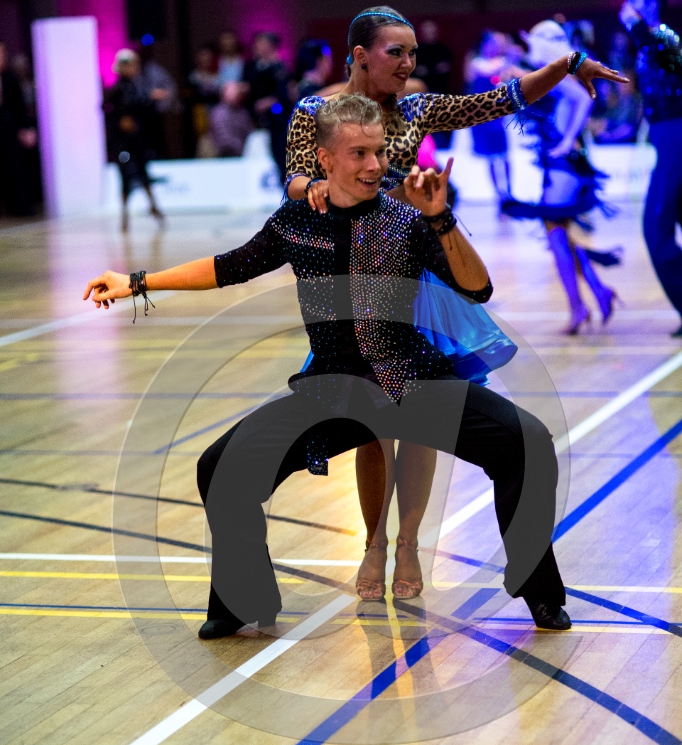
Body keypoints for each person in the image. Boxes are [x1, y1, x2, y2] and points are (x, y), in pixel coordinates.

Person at [84, 94, 570, 638]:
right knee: (220, 466)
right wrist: (136, 282)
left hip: (415, 382)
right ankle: (241, 599)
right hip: (335, 394)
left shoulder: (408, 219)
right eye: (359, 153)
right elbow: (228, 267)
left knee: (527, 442)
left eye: (379, 152)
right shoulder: (297, 222)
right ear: (325, 159)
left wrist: (441, 219)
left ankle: (538, 589)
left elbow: (478, 288)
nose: (375, 165)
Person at [285, 5, 627, 596]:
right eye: (396, 52)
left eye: (413, 53)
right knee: (371, 424)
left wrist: (569, 63)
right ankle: (374, 543)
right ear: (360, 55)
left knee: (421, 418)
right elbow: (293, 179)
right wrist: (316, 186)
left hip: (418, 279)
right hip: (355, 281)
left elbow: (503, 100)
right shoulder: (315, 112)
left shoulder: (418, 108)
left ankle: (409, 544)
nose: (408, 63)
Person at [502, 20, 623, 335]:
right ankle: (596, 293)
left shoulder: (559, 72)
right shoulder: (554, 69)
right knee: (559, 233)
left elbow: (582, 99)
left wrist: (568, 139)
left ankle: (581, 305)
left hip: (563, 164)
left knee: (556, 234)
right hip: (558, 162)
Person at [619, 0, 682, 336]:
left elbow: (668, 58)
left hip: (676, 136)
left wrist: (635, 26)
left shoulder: (666, 37)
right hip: (665, 136)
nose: (625, 5)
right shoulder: (647, 41)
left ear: (652, 3)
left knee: (656, 228)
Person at [103, 49, 165, 231]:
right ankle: (125, 214)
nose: (135, 68)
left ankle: (152, 206)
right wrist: (120, 120)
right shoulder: (118, 89)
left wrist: (149, 98)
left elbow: (139, 106)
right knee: (126, 177)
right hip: (123, 142)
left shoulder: (133, 87)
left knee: (142, 173)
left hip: (136, 140)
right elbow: (108, 109)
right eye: (131, 65)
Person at [465, 31, 519, 201]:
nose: (493, 48)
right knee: (490, 157)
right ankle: (499, 194)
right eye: (491, 44)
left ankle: (508, 191)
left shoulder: (503, 62)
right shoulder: (476, 63)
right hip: (484, 115)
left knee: (504, 155)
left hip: (501, 115)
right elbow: (480, 78)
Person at [243, 32, 291, 184]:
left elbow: (284, 94)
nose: (256, 46)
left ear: (271, 46)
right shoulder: (252, 67)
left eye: (261, 43)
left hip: (277, 122)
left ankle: (284, 182)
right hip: (254, 121)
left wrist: (270, 102)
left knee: (280, 154)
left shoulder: (280, 67)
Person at [0, 41, 35, 217]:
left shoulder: (10, 79)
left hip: (9, 129)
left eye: (3, 53)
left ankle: (21, 206)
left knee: (15, 169)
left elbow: (19, 107)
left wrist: (26, 128)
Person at [413, 20, 454, 148]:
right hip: (421, 96)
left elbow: (445, 70)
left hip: (441, 93)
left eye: (432, 31)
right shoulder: (415, 52)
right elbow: (416, 72)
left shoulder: (443, 50)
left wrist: (427, 72)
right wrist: (433, 71)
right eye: (427, 31)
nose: (429, 34)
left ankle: (443, 148)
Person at [187, 44, 221, 157]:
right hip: (199, 114)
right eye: (202, 56)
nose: (205, 59)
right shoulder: (193, 77)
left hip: (217, 113)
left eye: (208, 57)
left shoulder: (218, 76)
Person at [209, 81, 253, 157]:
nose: (238, 95)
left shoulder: (242, 111)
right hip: (226, 155)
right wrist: (242, 150)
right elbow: (224, 139)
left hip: (243, 153)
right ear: (224, 94)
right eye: (234, 92)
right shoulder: (219, 113)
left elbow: (249, 132)